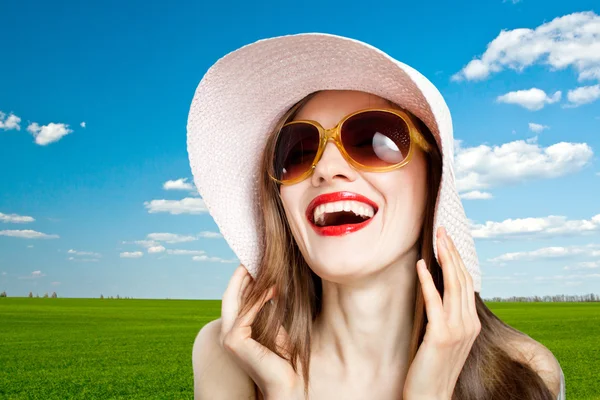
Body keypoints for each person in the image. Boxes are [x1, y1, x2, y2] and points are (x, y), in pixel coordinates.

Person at [187, 33, 566, 400]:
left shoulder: (525, 371)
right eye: (298, 152)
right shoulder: (227, 355)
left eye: (372, 140)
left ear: (433, 177)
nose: (326, 167)